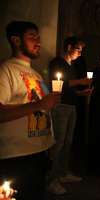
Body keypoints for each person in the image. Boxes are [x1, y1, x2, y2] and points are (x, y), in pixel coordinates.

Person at [0, 21, 60, 200]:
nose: (38, 41)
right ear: (16, 41)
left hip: (39, 153)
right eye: (32, 36)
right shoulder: (6, 70)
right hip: (17, 157)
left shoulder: (36, 75)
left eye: (38, 36)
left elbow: (43, 110)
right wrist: (39, 105)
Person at [48, 36, 92, 195]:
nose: (80, 53)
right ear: (68, 47)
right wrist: (80, 81)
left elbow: (69, 89)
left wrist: (81, 93)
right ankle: (51, 179)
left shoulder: (71, 66)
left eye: (82, 50)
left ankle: (63, 173)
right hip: (60, 107)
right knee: (58, 142)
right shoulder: (57, 63)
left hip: (71, 106)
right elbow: (58, 83)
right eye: (78, 49)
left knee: (68, 142)